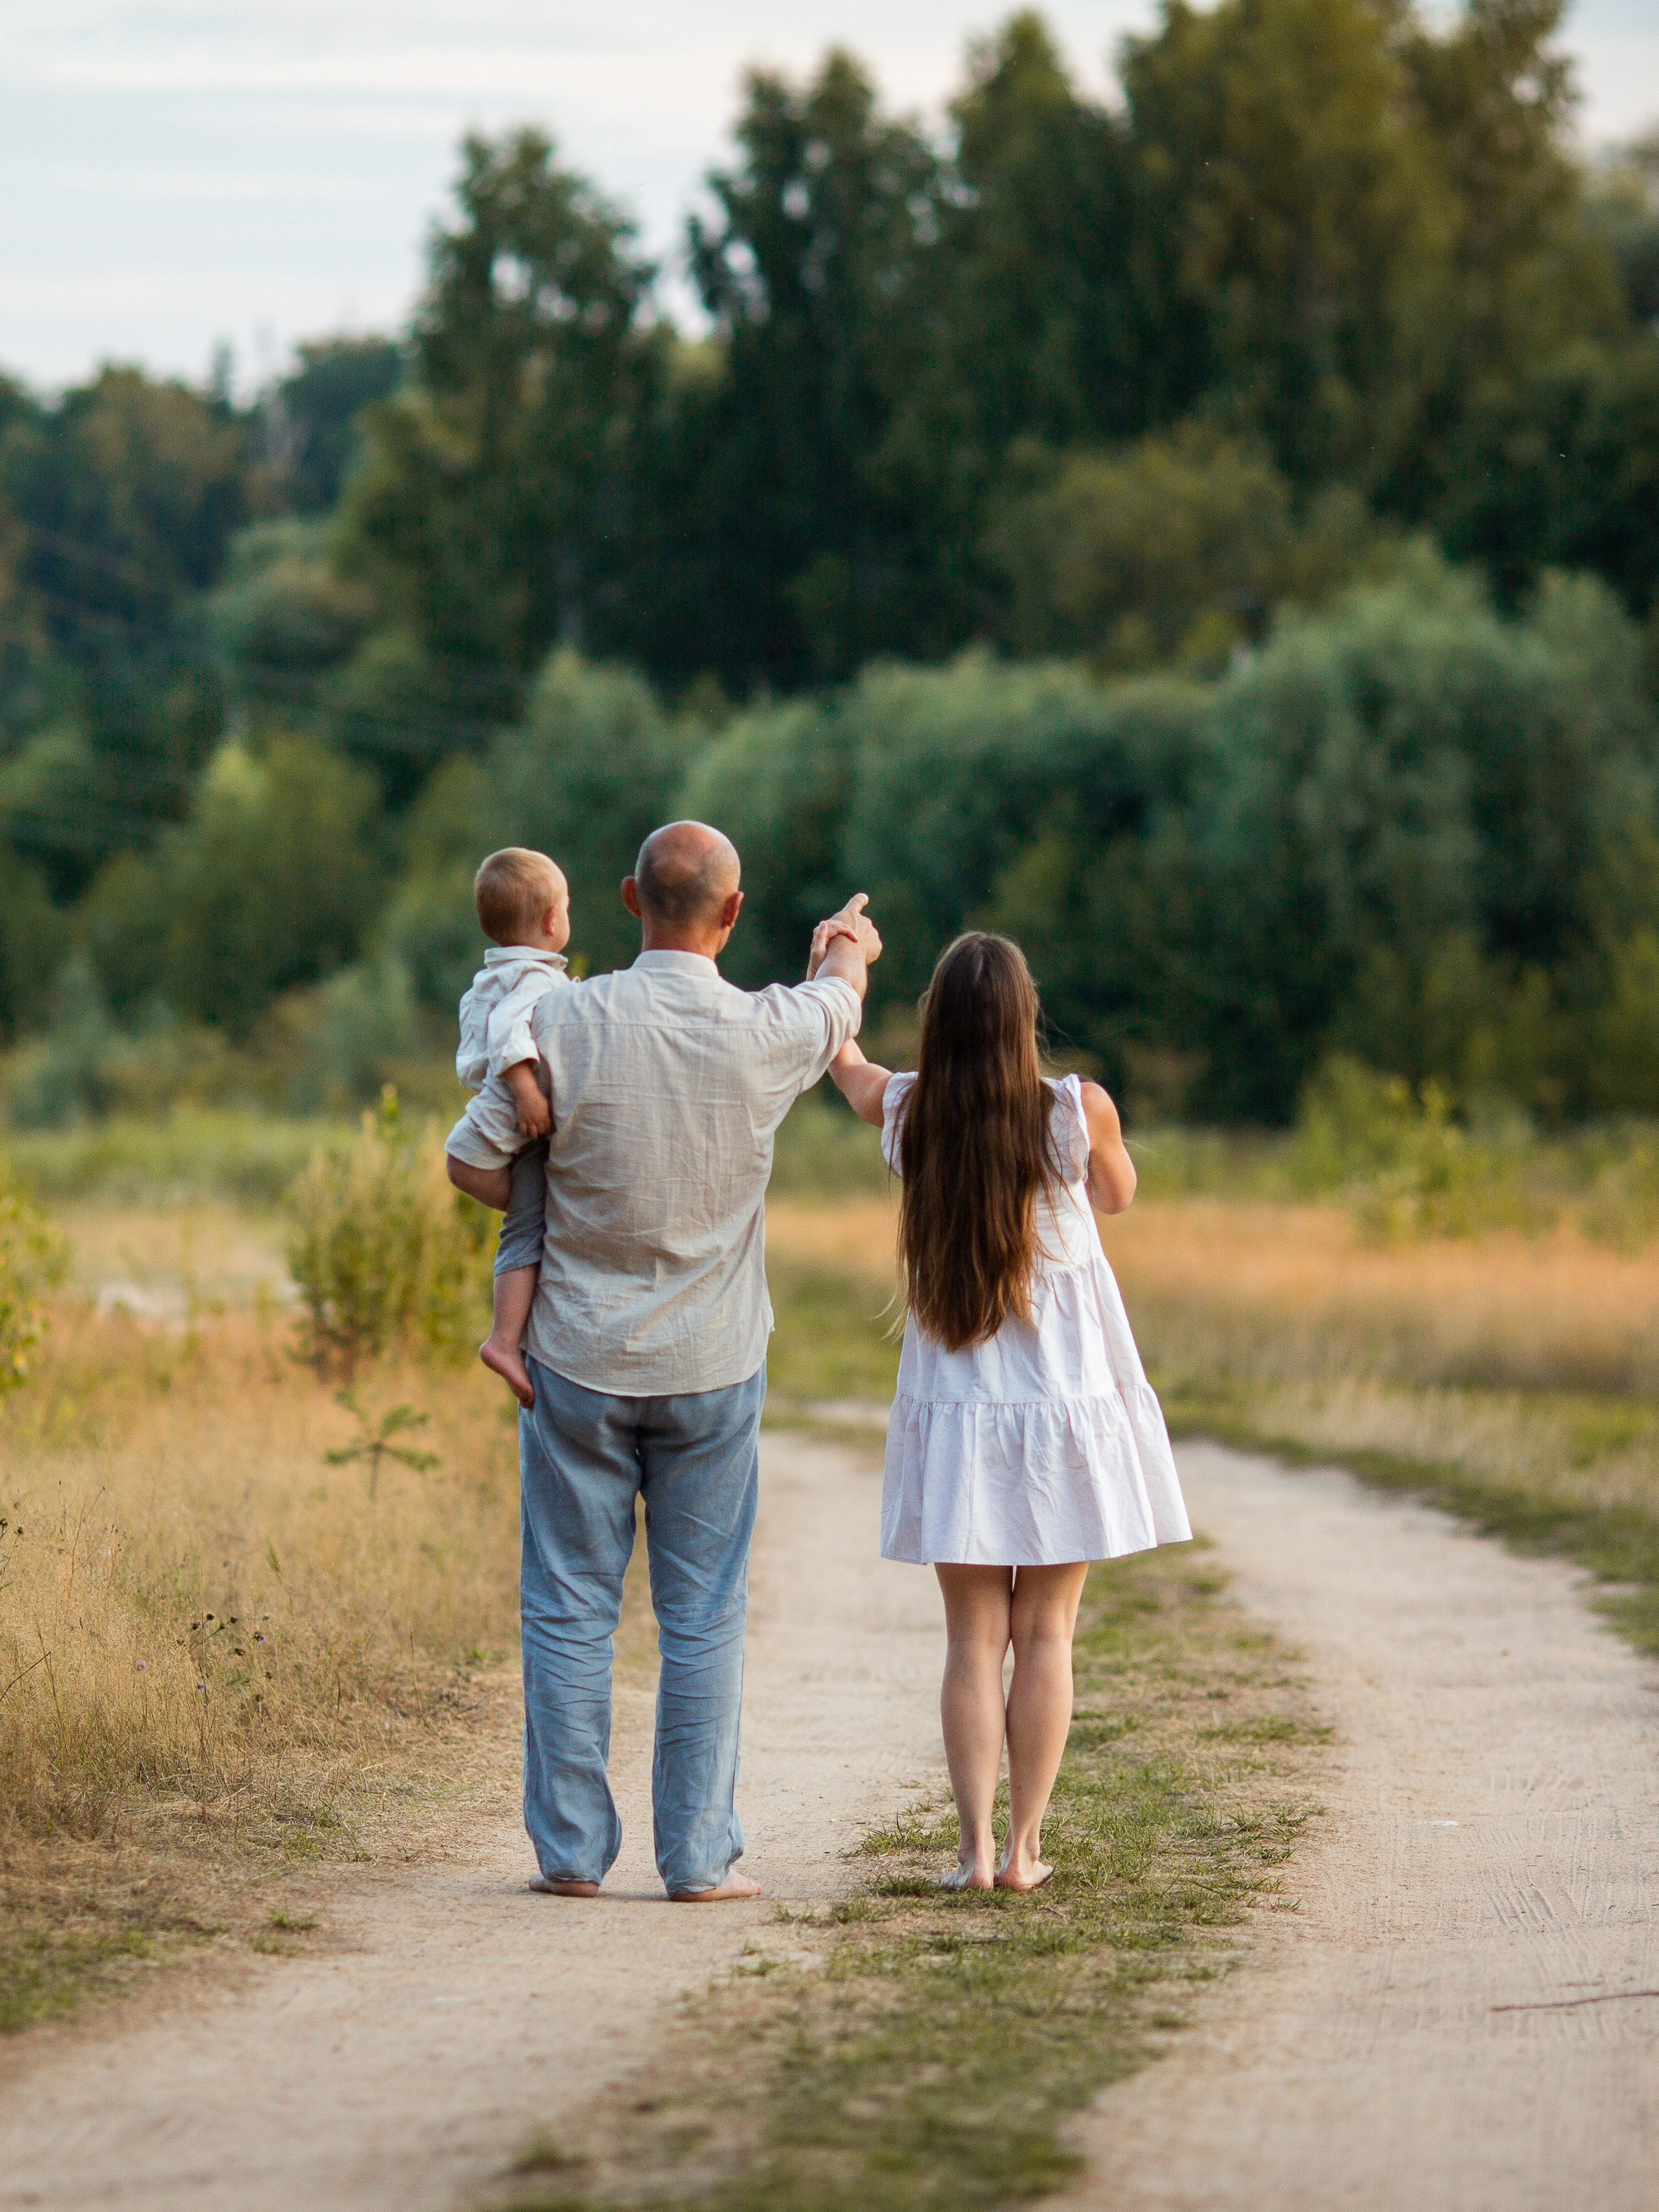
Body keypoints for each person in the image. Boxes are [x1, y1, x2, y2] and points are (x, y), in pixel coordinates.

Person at [445, 823, 881, 1903]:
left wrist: (556, 1193)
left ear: (631, 899)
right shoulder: (764, 1028)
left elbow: (475, 1156)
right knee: (702, 1614)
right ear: (732, 914)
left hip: (574, 1359)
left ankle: (569, 1854)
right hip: (713, 1364)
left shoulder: (557, 1019)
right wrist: (846, 944)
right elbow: (837, 1007)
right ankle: (695, 1859)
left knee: (567, 1606)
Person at [826, 931, 1189, 1892]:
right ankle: (1027, 1849)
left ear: (939, 1023)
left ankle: (973, 1851)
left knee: (972, 1639)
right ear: (1024, 1020)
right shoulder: (1075, 1110)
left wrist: (837, 966)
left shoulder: (911, 1112)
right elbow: (1117, 1195)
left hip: (960, 1410)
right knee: (1049, 1633)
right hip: (1062, 1408)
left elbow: (843, 1060)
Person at [454, 846, 573, 1411]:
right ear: (551, 920)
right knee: (528, 1227)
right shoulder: (535, 979)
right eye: (567, 908)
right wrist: (527, 1091)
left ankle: (506, 1337)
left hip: (487, 1124)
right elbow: (508, 1029)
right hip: (499, 1124)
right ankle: (503, 1341)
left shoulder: (498, 972)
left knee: (530, 1217)